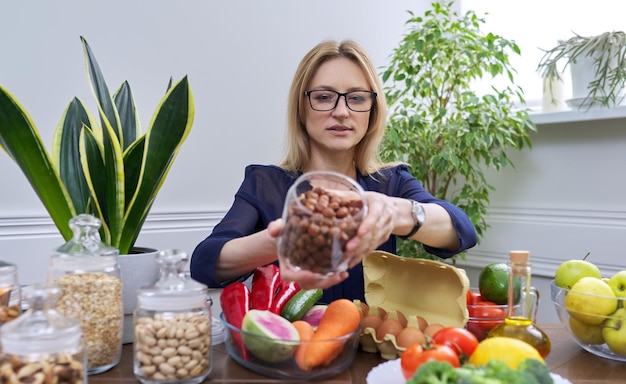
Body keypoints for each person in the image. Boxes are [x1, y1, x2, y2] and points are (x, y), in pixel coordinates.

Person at [190, 39, 477, 304]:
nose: (341, 111)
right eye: (325, 97)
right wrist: (280, 242)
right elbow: (205, 263)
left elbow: (461, 230)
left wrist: (396, 213)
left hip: (368, 354)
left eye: (356, 98)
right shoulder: (266, 183)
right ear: (301, 108)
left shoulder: (391, 183)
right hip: (287, 351)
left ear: (372, 111)